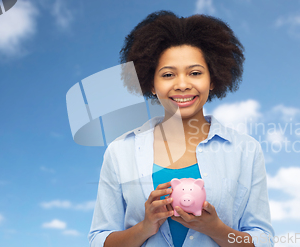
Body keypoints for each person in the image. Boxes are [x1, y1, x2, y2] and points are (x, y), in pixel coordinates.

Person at [89, 10, 274, 247]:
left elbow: (264, 240)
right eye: (168, 74)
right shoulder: (120, 152)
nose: (183, 84)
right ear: (152, 84)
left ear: (213, 79)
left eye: (195, 73)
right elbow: (99, 239)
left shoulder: (245, 150)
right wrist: (144, 228)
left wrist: (216, 229)